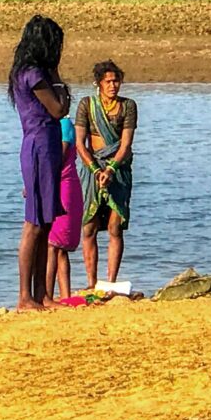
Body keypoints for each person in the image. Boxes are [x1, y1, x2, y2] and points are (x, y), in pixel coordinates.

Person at [8, 15, 71, 310]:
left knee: (46, 222)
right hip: (39, 146)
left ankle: (42, 294)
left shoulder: (31, 72)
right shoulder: (32, 74)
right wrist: (58, 78)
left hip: (46, 145)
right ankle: (25, 297)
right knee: (34, 223)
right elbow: (58, 109)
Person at [76, 61, 137, 289]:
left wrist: (111, 168)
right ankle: (91, 283)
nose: (113, 86)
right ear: (99, 83)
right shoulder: (86, 105)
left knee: (115, 226)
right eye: (108, 81)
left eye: (116, 81)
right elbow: (80, 144)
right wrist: (95, 169)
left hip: (118, 169)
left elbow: (126, 144)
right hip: (92, 168)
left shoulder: (128, 106)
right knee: (89, 226)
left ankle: (110, 282)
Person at [46, 114, 84, 300]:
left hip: (64, 187)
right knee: (56, 246)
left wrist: (38, 182)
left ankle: (46, 294)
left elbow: (58, 158)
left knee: (54, 244)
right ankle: (63, 295)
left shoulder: (64, 124)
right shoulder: (50, 125)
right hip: (55, 185)